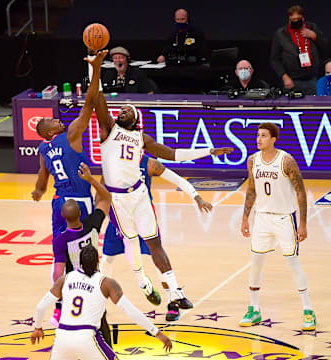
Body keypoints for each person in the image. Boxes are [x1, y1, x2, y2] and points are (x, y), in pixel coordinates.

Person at [86, 49, 233, 321]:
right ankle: (142, 282)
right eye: (124, 108)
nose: (125, 108)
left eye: (130, 109)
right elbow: (96, 98)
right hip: (117, 200)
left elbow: (174, 155)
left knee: (154, 244)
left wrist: (208, 151)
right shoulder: (108, 130)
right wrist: (96, 69)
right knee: (130, 247)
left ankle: (175, 292)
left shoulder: (142, 139)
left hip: (139, 196)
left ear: (136, 120)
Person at [100, 154, 212, 310]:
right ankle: (103, 300)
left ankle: (173, 300)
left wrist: (197, 197)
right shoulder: (112, 162)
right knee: (107, 258)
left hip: (143, 216)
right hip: (120, 216)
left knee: (156, 256)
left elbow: (177, 179)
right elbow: (101, 191)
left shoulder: (148, 163)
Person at [31, 244, 172, 359]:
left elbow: (40, 307)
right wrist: (157, 333)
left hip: (62, 337)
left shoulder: (65, 279)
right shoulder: (106, 283)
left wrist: (37, 327)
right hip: (87, 337)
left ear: (79, 262)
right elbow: (131, 311)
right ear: (98, 261)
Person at [240, 122, 316, 331]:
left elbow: (300, 192)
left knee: (292, 263)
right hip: (262, 218)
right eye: (258, 135)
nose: (259, 139)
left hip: (284, 218)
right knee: (256, 261)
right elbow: (252, 190)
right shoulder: (252, 160)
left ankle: (308, 311)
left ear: (274, 139)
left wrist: (302, 222)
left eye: (264, 136)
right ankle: (254, 309)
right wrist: (245, 217)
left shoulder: (286, 161)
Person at [31, 51, 105, 237]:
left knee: (60, 246)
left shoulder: (43, 149)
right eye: (53, 121)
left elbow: (43, 173)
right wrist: (96, 70)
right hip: (79, 200)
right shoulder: (71, 135)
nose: (57, 120)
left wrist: (39, 190)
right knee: (85, 246)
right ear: (50, 132)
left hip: (59, 201)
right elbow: (89, 103)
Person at [51, 162, 112, 339]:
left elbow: (57, 272)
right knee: (101, 322)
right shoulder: (92, 223)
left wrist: (59, 297)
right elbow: (106, 198)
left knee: (75, 327)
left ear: (63, 217)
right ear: (80, 214)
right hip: (95, 281)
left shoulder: (60, 239)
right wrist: (90, 179)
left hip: (74, 285)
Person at [270, 5, 328, 95]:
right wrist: (284, 76)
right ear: (289, 20)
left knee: (313, 106)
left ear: (303, 18)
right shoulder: (281, 34)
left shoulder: (312, 28)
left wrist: (315, 37)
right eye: (293, 20)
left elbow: (326, 47)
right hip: (291, 79)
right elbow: (274, 59)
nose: (296, 21)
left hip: (312, 79)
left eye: (298, 19)